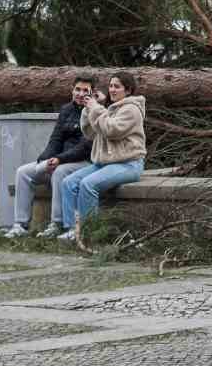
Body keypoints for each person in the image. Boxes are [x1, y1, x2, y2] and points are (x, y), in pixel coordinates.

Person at [1, 77, 96, 239]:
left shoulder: (94, 112)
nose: (80, 94)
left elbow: (84, 147)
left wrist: (59, 160)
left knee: (59, 171)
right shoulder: (66, 110)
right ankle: (20, 225)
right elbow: (56, 139)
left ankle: (56, 224)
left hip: (84, 162)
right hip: (59, 160)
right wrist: (44, 160)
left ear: (92, 93)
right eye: (77, 89)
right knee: (23, 172)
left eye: (85, 91)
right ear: (72, 90)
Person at [56, 72, 146, 240]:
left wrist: (96, 107)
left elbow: (111, 130)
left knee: (88, 184)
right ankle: (71, 230)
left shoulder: (131, 109)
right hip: (105, 164)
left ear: (128, 90)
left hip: (128, 164)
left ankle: (89, 232)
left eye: (117, 86)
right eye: (111, 85)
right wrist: (89, 107)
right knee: (68, 183)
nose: (112, 89)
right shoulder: (110, 110)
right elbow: (89, 133)